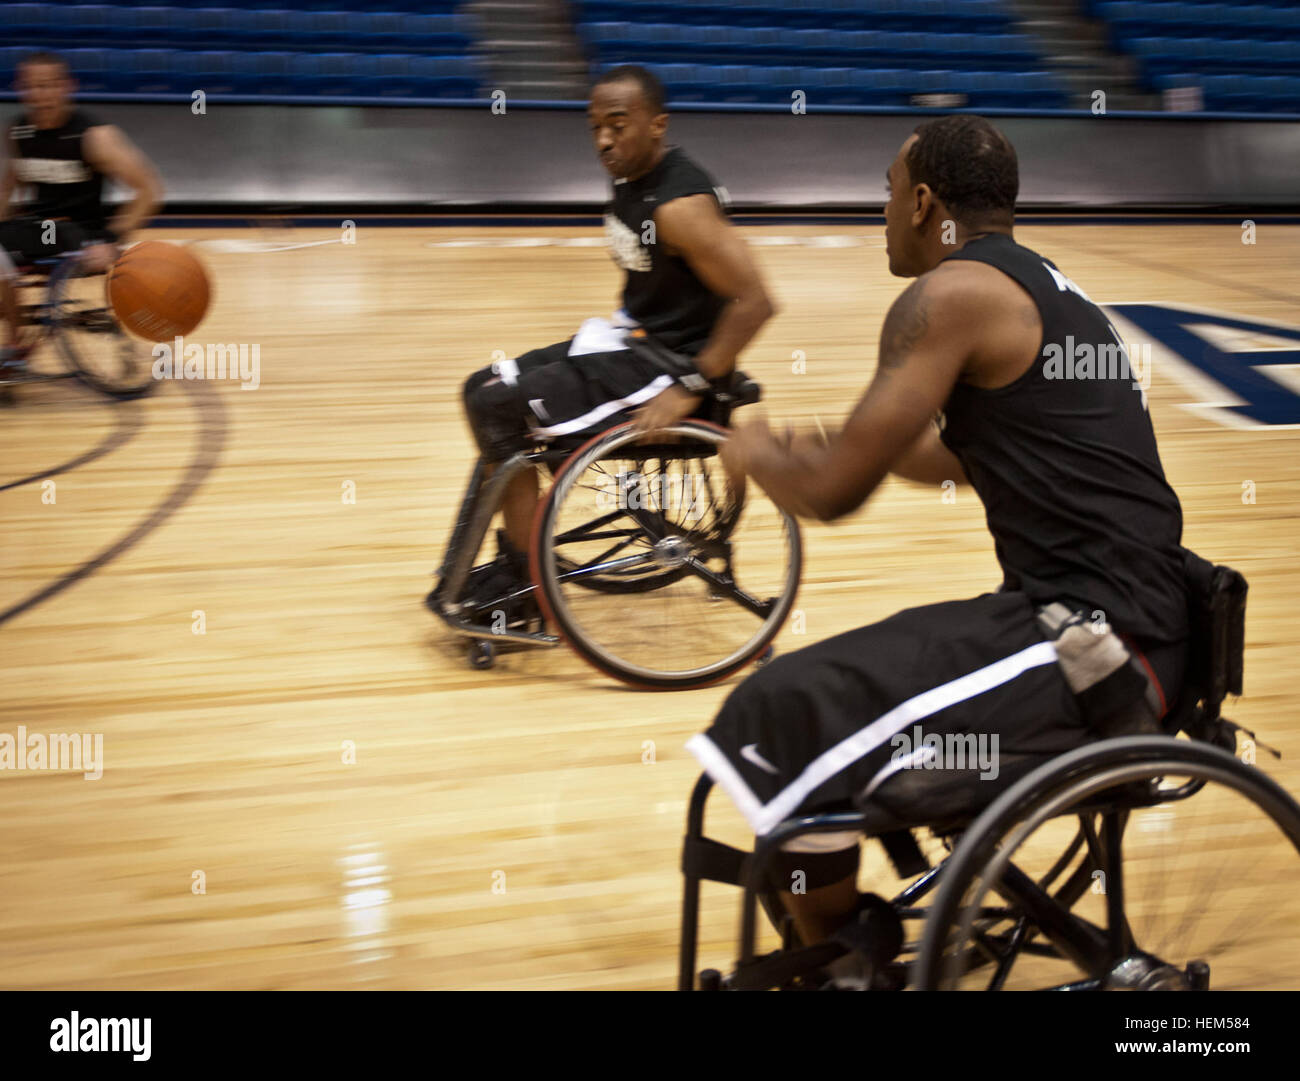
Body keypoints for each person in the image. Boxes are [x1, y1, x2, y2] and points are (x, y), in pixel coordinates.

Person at [691, 115, 1188, 986]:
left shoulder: (948, 296)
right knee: (815, 705)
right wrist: (834, 443)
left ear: (924, 202)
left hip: (1101, 642)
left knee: (787, 712)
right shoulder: (1046, 289)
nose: (882, 208)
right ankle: (839, 940)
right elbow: (955, 454)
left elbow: (837, 496)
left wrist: (756, 452)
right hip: (1111, 616)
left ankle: (849, 964)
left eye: (887, 190)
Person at [432, 64, 776, 622]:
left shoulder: (679, 206)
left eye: (618, 125)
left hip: (668, 370)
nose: (604, 140)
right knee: (483, 388)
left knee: (498, 408)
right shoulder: (631, 179)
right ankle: (519, 559)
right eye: (595, 128)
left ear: (658, 125)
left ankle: (526, 583)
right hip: (628, 342)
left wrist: (693, 385)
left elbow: (756, 301)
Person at [0, 51, 163, 371]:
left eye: (47, 86)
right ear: (21, 89)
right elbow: (9, 188)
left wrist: (110, 240)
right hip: (37, 228)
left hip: (78, 233)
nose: (39, 95)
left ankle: (15, 344)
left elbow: (149, 189)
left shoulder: (94, 137)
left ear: (67, 87)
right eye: (31, 87)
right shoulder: (18, 132)